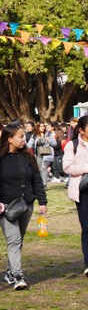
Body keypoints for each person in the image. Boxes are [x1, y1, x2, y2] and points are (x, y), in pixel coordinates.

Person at [0, 123, 47, 291]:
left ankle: (10, 271)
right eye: (20, 136)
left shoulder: (27, 156)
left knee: (18, 240)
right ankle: (18, 276)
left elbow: (37, 180)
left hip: (26, 205)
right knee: (14, 240)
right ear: (10, 139)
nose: (23, 139)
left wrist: (42, 202)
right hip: (4, 207)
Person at [62, 115, 88, 278]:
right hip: (83, 190)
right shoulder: (73, 145)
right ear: (81, 130)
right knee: (87, 228)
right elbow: (67, 167)